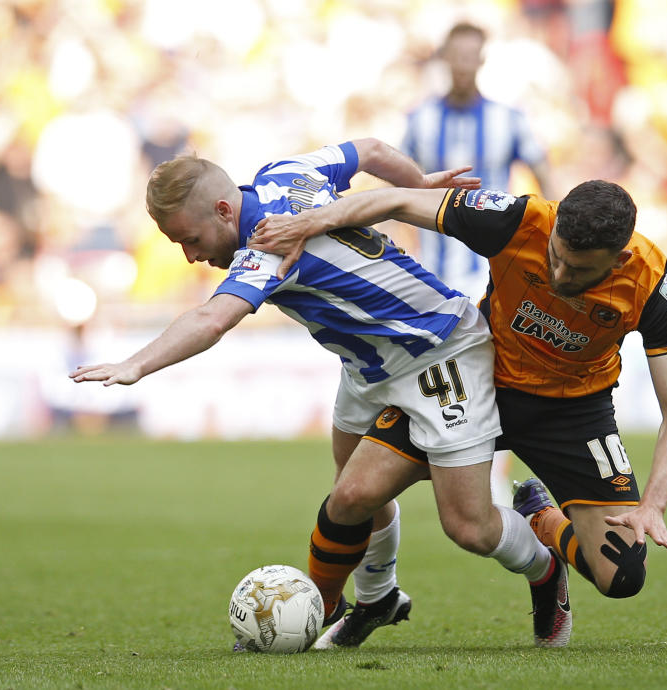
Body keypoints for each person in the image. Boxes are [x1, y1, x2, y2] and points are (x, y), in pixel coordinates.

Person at [69, 139, 572, 649]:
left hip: (438, 352)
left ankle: (544, 565)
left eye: (191, 238)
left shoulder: (265, 248)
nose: (192, 255)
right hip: (369, 367)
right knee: (350, 498)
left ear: (224, 210)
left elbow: (211, 318)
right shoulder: (286, 171)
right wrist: (416, 184)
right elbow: (371, 149)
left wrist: (136, 364)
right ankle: (376, 598)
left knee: (470, 528)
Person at [250, 179, 667, 647]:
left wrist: (654, 504)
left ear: (619, 259)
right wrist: (306, 223)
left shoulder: (649, 284)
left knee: (621, 575)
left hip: (574, 411)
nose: (560, 275)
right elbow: (397, 200)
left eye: (578, 269)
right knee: (352, 495)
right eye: (555, 256)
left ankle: (541, 520)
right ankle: (323, 609)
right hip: (476, 381)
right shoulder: (518, 220)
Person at [402, 21, 554, 507]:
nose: (465, 65)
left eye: (473, 56)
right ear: (445, 58)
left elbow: (544, 178)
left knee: (495, 369)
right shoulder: (420, 120)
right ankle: (444, 467)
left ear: (482, 60)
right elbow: (400, 189)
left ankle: (491, 474)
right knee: (442, 372)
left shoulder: (509, 119)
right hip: (437, 271)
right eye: (457, 56)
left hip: (496, 269)